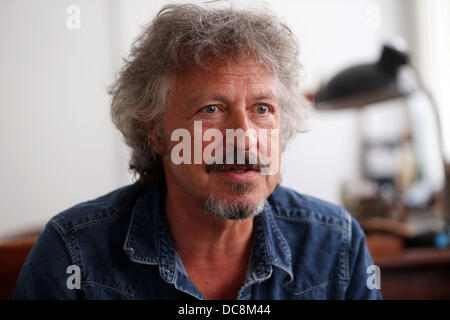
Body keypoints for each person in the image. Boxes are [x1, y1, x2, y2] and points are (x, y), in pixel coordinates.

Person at [13, 3, 381, 300]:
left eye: (262, 109)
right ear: (155, 132)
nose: (244, 139)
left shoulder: (337, 246)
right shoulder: (72, 254)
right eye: (211, 109)